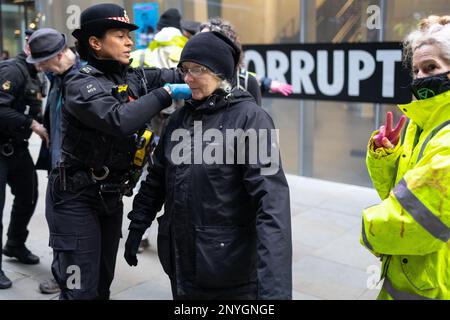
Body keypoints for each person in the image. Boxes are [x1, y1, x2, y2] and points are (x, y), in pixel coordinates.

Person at [124, 31, 292, 299]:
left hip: (228, 272)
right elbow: (157, 178)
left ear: (220, 72)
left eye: (196, 70)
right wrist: (137, 224)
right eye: (184, 69)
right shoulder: (179, 119)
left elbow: (272, 207)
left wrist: (275, 290)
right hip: (180, 264)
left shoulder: (252, 120)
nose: (187, 78)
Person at [45, 3, 189, 300]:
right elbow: (119, 120)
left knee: (101, 285)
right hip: (75, 199)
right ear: (95, 43)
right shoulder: (79, 83)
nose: (129, 41)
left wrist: (204, 68)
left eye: (129, 35)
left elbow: (174, 73)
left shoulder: (131, 76)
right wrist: (166, 94)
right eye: (120, 35)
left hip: (109, 198)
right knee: (78, 289)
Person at [361, 15, 450, 300]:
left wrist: (368, 228)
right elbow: (397, 195)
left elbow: (417, 221)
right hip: (408, 273)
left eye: (431, 67)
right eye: (417, 70)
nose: (422, 77)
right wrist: (386, 155)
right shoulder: (417, 123)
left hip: (437, 281)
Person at [26, 27, 83, 295]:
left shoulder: (84, 77)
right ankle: (61, 275)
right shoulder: (55, 75)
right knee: (58, 229)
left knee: (72, 236)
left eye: (42, 59)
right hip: (57, 166)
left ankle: (69, 283)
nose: (38, 65)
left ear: (60, 55)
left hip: (77, 173)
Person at [0, 30, 49, 289]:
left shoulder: (36, 74)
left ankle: (15, 244)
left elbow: (29, 107)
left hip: (16, 148)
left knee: (29, 195)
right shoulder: (12, 70)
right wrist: (32, 124)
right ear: (28, 47)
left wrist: (42, 124)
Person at [199, 18, 293, 106]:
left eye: (207, 39)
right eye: (200, 39)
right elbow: (196, 121)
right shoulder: (193, 77)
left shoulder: (245, 81)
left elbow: (256, 119)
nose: (200, 44)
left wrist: (266, 82)